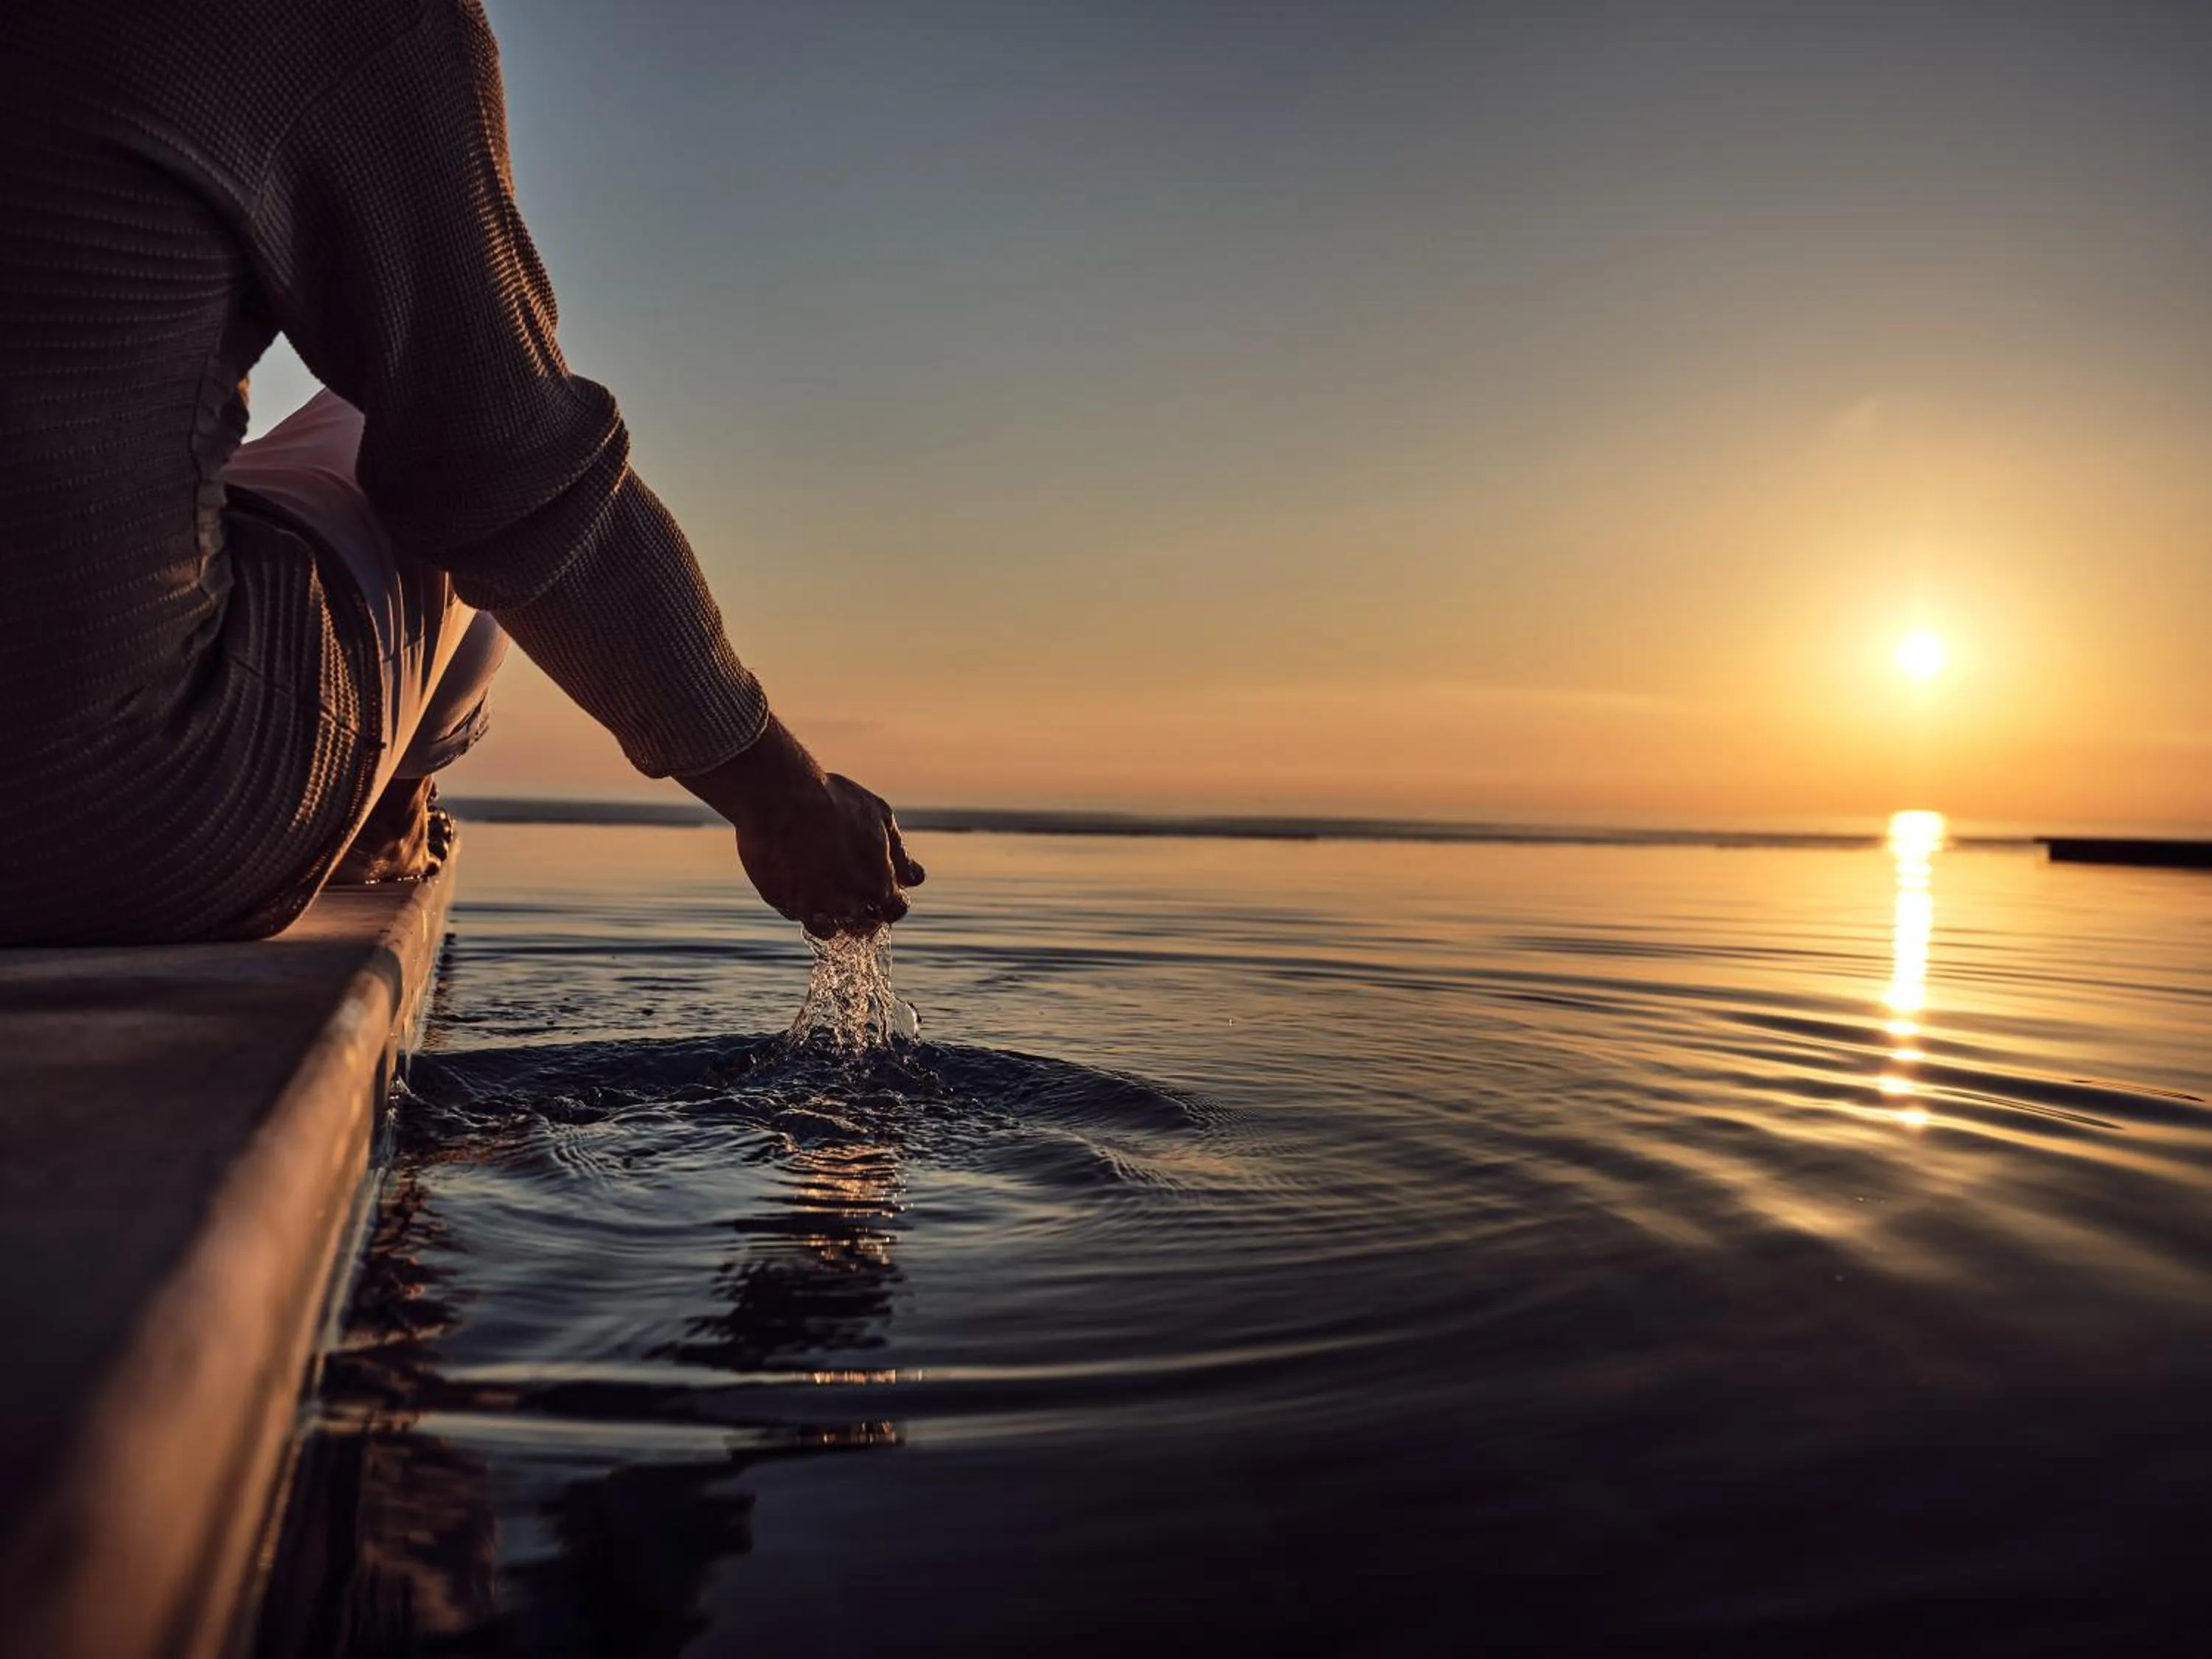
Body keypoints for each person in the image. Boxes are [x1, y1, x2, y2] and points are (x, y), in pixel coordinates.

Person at [0, 0, 921, 945]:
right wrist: (783, 797)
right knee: (422, 423)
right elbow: (505, 467)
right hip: (109, 814)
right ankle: (389, 817)